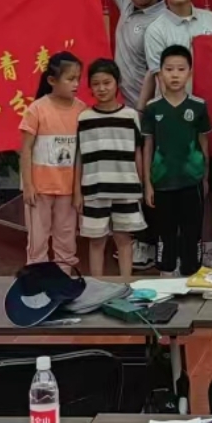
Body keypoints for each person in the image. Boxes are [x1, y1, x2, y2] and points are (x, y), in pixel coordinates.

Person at [77, 0, 163, 266]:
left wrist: (141, 109)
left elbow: (157, 71)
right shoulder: (128, 4)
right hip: (122, 110)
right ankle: (139, 241)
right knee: (126, 174)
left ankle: (151, 242)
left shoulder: (162, 19)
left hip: (149, 111)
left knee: (148, 176)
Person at [142, 45, 212, 276]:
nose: (175, 75)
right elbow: (147, 146)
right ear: (160, 73)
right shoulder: (152, 108)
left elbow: (203, 143)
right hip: (162, 182)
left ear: (189, 73)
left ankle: (192, 275)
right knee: (165, 234)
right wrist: (147, 184)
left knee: (192, 233)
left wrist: (205, 178)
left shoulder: (198, 106)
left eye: (181, 69)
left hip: (192, 182)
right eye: (169, 69)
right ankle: (166, 278)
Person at [76, 59, 146, 277]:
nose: (102, 88)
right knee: (96, 241)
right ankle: (97, 285)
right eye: (96, 84)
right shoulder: (84, 118)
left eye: (107, 82)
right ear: (90, 86)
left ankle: (126, 284)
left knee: (124, 239)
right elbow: (79, 157)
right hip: (94, 190)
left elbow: (137, 152)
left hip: (126, 188)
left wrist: (141, 184)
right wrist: (77, 192)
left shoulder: (130, 116)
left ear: (117, 83)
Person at [21, 52, 85, 273]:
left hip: (68, 189)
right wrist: (28, 185)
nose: (76, 84)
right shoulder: (37, 109)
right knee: (37, 240)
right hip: (40, 189)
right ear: (52, 80)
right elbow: (26, 149)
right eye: (70, 79)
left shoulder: (82, 110)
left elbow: (81, 153)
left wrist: (78, 190)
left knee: (66, 239)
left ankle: (63, 281)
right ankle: (37, 280)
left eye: (78, 79)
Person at [76, 0, 164, 103]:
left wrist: (143, 108)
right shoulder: (127, 3)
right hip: (122, 103)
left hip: (148, 105)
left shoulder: (164, 20)